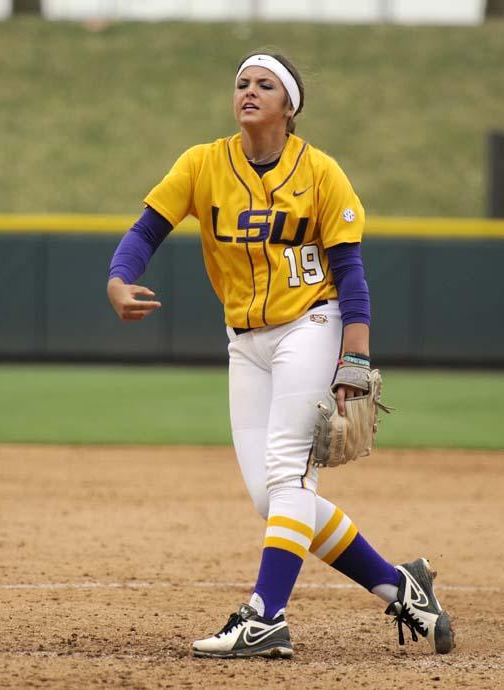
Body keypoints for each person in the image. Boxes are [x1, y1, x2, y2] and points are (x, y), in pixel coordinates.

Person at [106, 50, 454, 658]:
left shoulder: (321, 173)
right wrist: (118, 278)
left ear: (289, 106)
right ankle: (403, 587)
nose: (248, 91)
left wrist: (355, 360)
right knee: (276, 497)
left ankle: (266, 617)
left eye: (265, 84)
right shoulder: (203, 164)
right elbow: (145, 232)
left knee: (290, 470)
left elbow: (351, 274)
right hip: (245, 341)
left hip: (311, 324)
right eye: (241, 82)